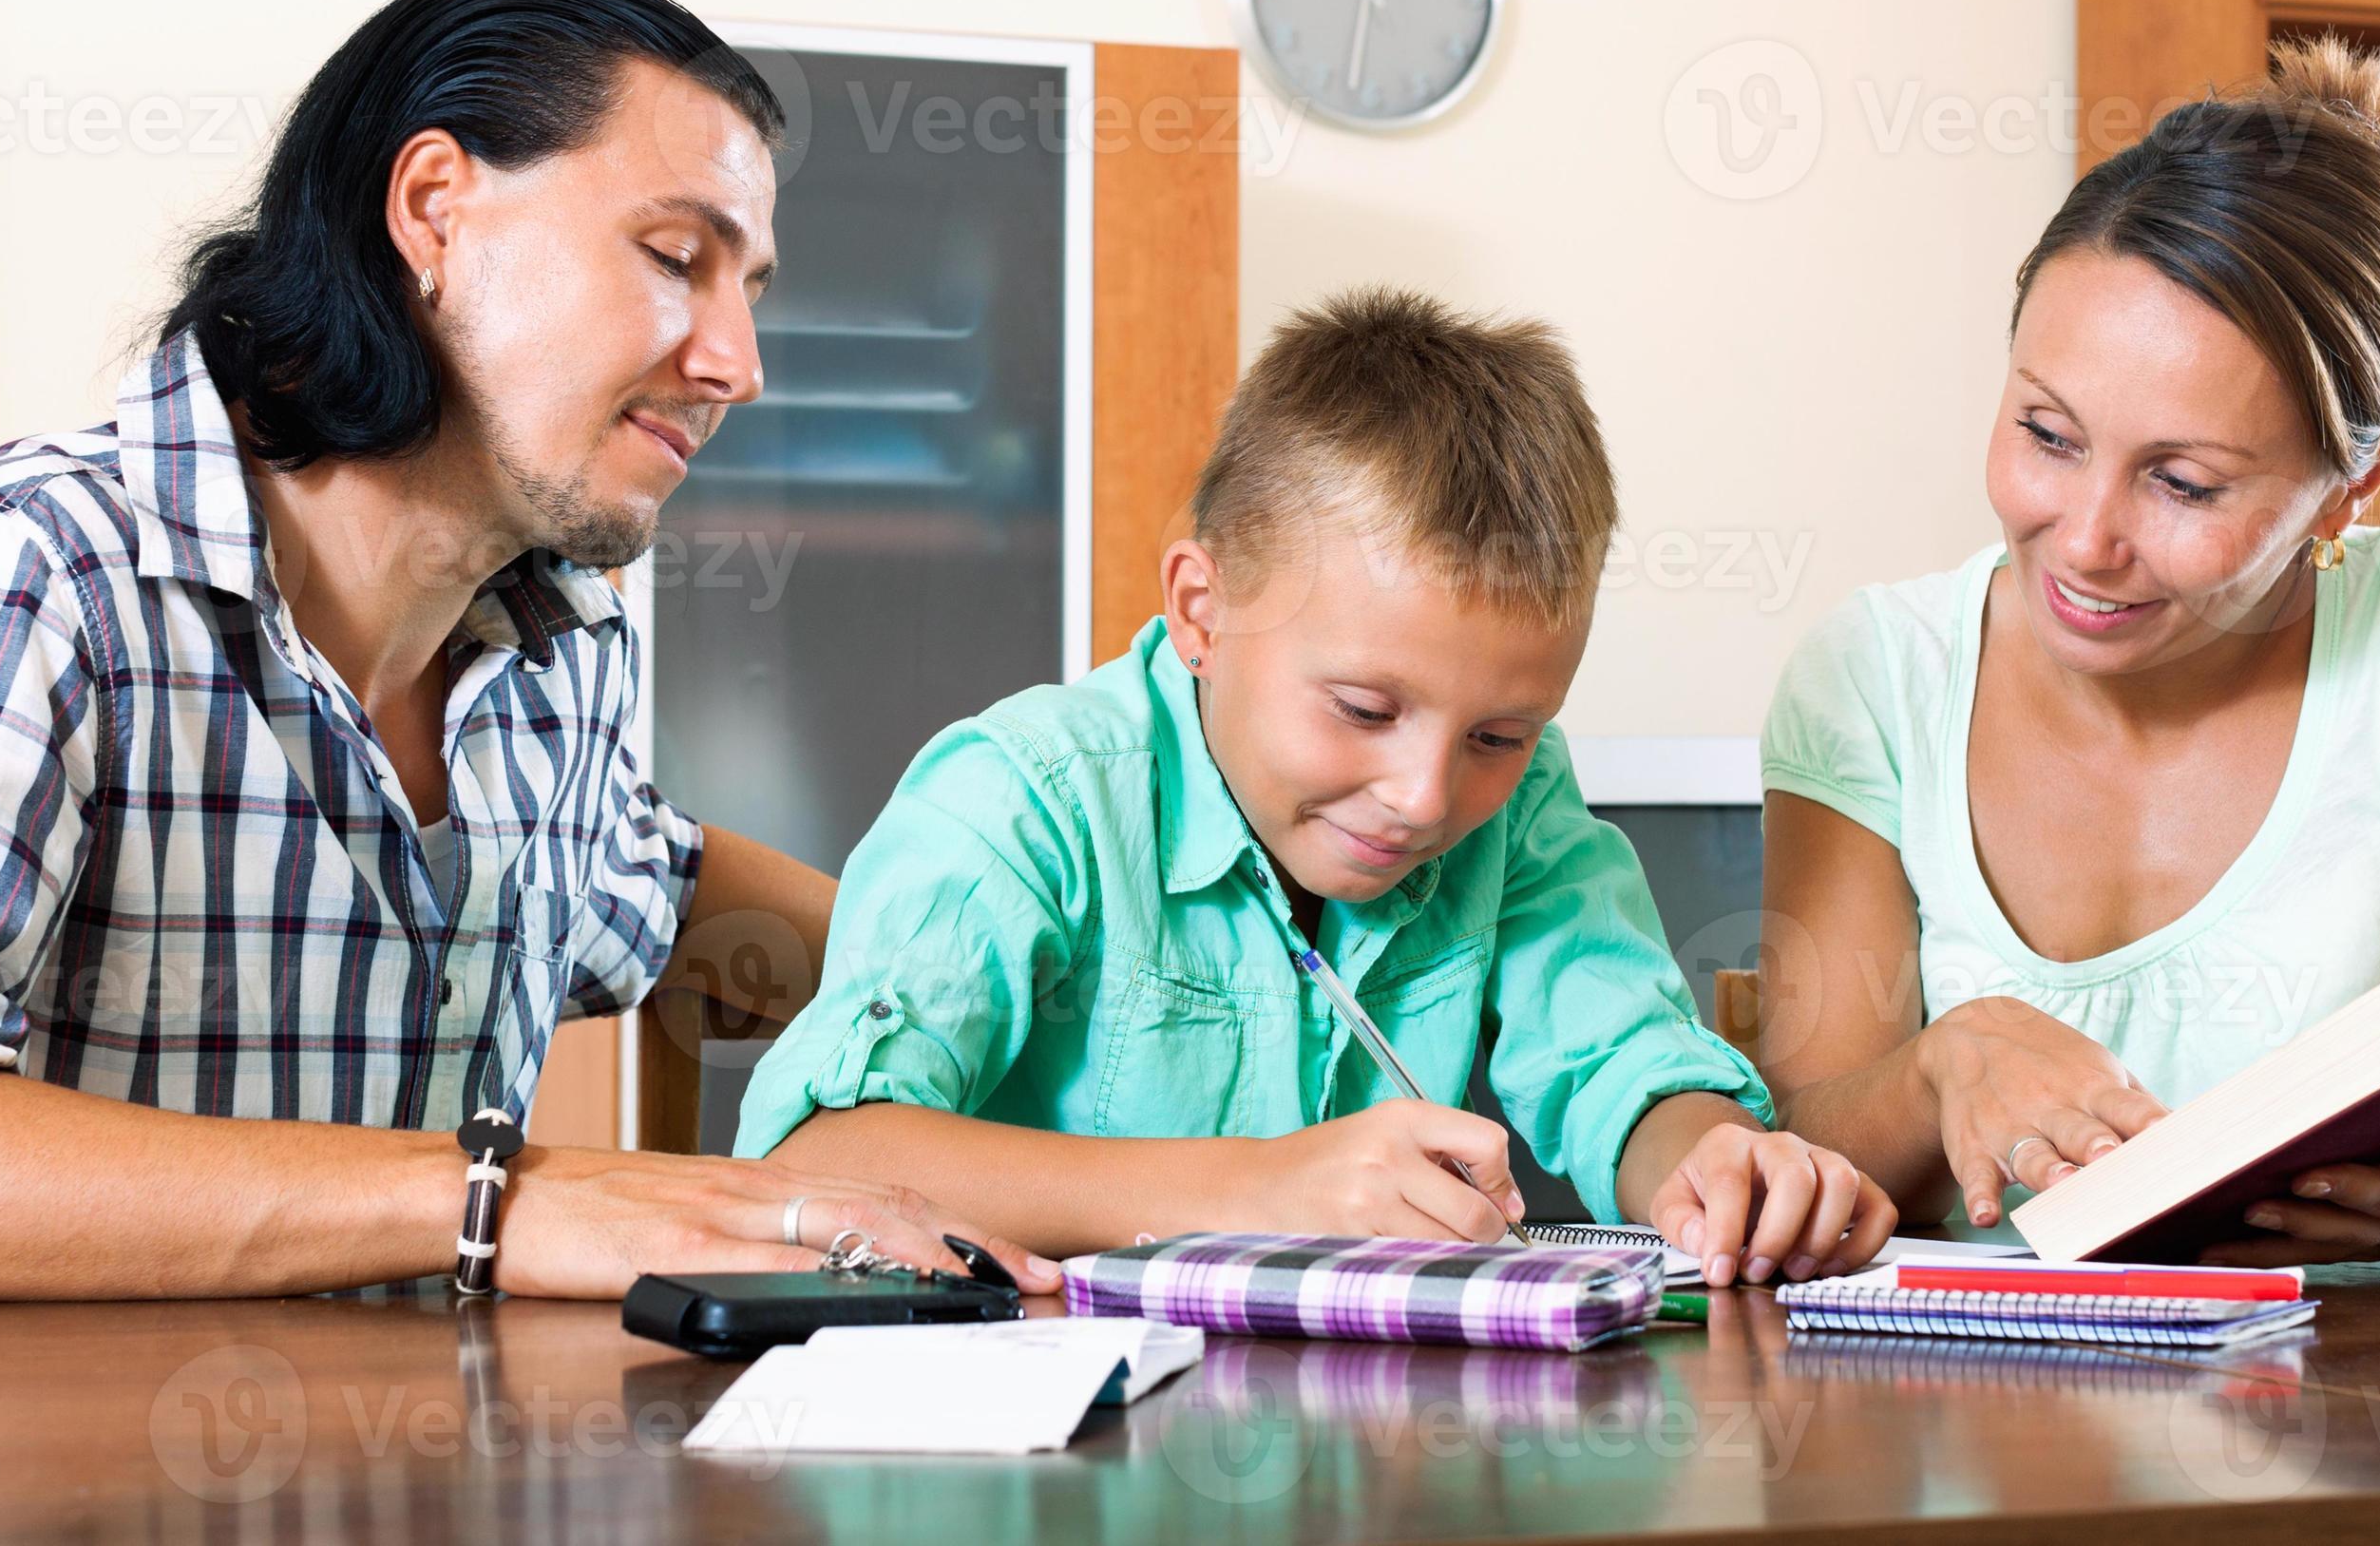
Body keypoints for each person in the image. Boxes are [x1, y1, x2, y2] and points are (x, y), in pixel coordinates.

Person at [0, 0, 1054, 1304]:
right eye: (678, 256)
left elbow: (661, 899)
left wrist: (1075, 974)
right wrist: (505, 1199)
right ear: (434, 210)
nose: (736, 362)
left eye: (752, 292)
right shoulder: (36, 574)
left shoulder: (561, 650)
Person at [736, 289, 1900, 1288]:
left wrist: (1708, 1159)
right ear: (1202, 610)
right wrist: (1258, 1186)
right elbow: (807, 1160)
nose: (1424, 796)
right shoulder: (1025, 799)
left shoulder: (1523, 808)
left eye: (1497, 732)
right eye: (1364, 710)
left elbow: (1621, 1062)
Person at [1756, 36, 2380, 1266]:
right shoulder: (1873, 674)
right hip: (1991, 1425)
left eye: (2181, 483)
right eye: (2046, 433)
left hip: (2365, 1412)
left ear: (2353, 486)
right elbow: (1800, 1153)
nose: (2083, 541)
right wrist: (1935, 1074)